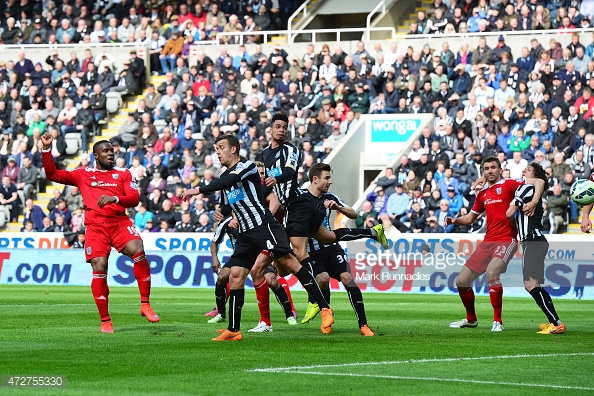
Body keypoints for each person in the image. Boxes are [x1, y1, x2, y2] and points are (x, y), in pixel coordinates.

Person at [181, 135, 335, 341]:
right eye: (216, 148)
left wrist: (198, 190)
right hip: (245, 233)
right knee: (235, 275)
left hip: (264, 225)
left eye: (221, 147)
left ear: (234, 149)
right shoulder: (226, 176)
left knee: (291, 262)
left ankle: (325, 309)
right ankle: (234, 330)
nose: (217, 151)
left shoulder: (246, 167)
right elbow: (229, 203)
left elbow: (232, 180)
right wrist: (221, 211)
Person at [41, 134, 159, 333]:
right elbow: (53, 175)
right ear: (96, 155)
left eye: (112, 151)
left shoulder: (124, 173)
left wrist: (114, 198)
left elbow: (133, 199)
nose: (110, 154)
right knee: (100, 266)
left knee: (138, 250)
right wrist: (46, 150)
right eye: (106, 151)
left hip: (120, 223)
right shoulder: (83, 174)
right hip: (96, 227)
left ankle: (145, 304)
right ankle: (105, 321)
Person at [445, 156, 545, 332]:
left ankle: (497, 321)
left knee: (492, 272)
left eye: (493, 167)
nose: (490, 171)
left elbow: (538, 181)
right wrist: (454, 220)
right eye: (486, 168)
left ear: (500, 169)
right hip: (488, 241)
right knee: (461, 281)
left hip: (507, 239)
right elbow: (470, 218)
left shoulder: (510, 184)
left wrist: (535, 201)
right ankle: (471, 319)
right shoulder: (482, 194)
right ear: (483, 172)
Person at [301, 163, 374, 336]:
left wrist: (338, 207)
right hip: (312, 250)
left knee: (347, 277)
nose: (330, 182)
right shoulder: (302, 197)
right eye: (327, 178)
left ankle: (363, 325)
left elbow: (353, 214)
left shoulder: (330, 197)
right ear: (315, 179)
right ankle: (326, 317)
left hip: (332, 247)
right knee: (323, 279)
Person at [506, 163, 565, 334]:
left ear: (535, 174)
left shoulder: (525, 188)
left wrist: (511, 217)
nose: (524, 171)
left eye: (528, 169)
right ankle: (553, 321)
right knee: (535, 284)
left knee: (530, 285)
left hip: (532, 240)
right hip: (536, 240)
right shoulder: (533, 188)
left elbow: (510, 213)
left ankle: (556, 323)